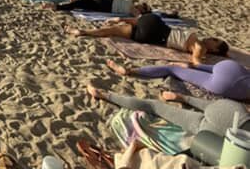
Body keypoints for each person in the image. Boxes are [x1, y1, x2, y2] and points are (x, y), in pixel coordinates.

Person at [86, 81, 249, 137]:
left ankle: (104, 95)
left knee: (154, 106)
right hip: (235, 123)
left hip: (230, 120)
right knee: (213, 108)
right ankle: (182, 98)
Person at [68, 12, 228, 65]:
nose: (211, 38)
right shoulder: (198, 45)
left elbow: (197, 62)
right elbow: (197, 62)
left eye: (215, 40)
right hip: (155, 32)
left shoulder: (199, 47)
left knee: (116, 29)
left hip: (157, 27)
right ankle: (85, 32)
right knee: (115, 31)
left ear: (214, 49)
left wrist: (202, 60)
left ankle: (85, 31)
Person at [105, 58, 250, 103]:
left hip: (225, 72)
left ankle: (131, 71)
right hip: (222, 76)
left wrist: (194, 65)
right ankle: (129, 71)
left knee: (172, 68)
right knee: (176, 69)